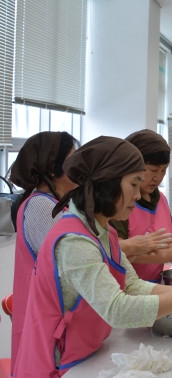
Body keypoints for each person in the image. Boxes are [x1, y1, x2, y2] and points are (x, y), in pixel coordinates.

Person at [13, 136, 172, 377]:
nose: (137, 196)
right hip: (57, 365)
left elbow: (131, 285)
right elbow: (117, 309)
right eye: (134, 184)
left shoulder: (103, 231)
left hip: (86, 353)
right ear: (109, 183)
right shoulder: (75, 241)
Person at [9, 131, 79, 373]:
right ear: (52, 169)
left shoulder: (59, 205)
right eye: (72, 160)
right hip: (45, 325)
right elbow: (71, 257)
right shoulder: (40, 206)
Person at [109, 129, 172, 282]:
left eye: (163, 170)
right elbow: (115, 249)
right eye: (152, 170)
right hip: (123, 289)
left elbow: (169, 238)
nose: (158, 177)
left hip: (153, 286)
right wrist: (166, 255)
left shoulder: (160, 199)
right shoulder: (119, 200)